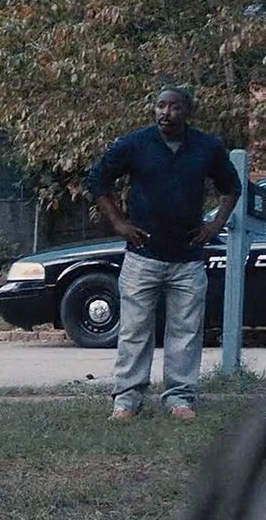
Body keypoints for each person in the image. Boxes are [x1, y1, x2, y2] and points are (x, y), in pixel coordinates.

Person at [86, 86, 240, 423]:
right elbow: (97, 179)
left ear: (186, 111)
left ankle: (180, 399)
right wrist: (118, 223)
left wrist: (215, 225)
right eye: (159, 105)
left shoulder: (206, 147)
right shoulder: (134, 144)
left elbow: (231, 186)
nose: (164, 113)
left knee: (185, 332)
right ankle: (127, 401)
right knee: (134, 330)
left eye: (173, 107)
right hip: (143, 255)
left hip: (187, 259)